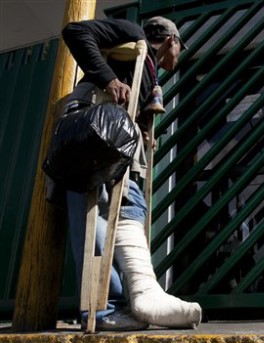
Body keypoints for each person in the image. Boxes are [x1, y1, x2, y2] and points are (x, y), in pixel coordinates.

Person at [59, 16, 202, 331]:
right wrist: (109, 79)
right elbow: (75, 31)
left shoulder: (150, 73)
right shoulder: (133, 33)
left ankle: (137, 297)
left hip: (117, 145)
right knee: (92, 220)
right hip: (91, 133)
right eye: (180, 48)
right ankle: (101, 309)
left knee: (131, 207)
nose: (178, 56)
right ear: (171, 40)